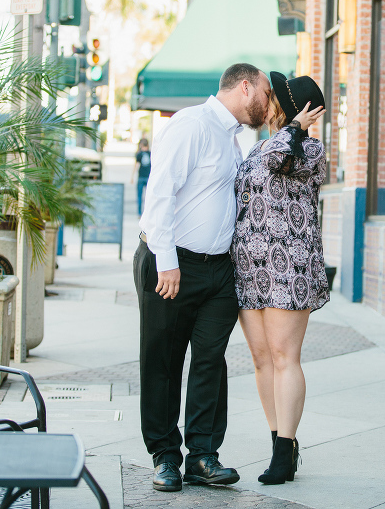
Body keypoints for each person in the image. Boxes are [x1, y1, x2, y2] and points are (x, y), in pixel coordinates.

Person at [134, 62, 272, 493]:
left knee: (211, 362)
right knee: (164, 362)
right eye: (266, 94)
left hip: (219, 271)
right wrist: (167, 260)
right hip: (173, 265)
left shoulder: (232, 138)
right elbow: (159, 193)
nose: (268, 105)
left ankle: (203, 456)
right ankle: (164, 457)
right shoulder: (190, 125)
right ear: (245, 87)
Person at [232, 73, 328, 485]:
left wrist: (296, 128)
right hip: (251, 269)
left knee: (285, 356)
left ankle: (286, 451)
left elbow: (278, 161)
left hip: (289, 269)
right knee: (261, 359)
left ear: (296, 109)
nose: (268, 98)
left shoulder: (309, 149)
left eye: (276, 95)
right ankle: (277, 442)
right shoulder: (264, 144)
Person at [131, 138, 152, 215]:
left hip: (141, 177)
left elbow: (136, 166)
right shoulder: (151, 154)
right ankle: (147, 213)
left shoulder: (139, 154)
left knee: (139, 196)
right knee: (148, 197)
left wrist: (132, 177)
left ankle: (139, 213)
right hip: (149, 178)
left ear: (141, 145)